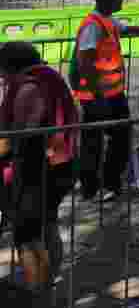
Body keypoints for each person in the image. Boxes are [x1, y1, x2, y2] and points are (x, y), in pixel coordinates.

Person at [72, 0, 139, 202]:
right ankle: (96, 188)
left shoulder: (107, 21)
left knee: (115, 139)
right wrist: (98, 95)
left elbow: (126, 29)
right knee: (97, 143)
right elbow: (84, 63)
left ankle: (107, 184)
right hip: (98, 97)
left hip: (111, 94)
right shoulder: (93, 25)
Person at [0, 42, 78, 299]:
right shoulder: (50, 80)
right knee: (48, 224)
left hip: (40, 170)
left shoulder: (29, 88)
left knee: (28, 236)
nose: (2, 77)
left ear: (14, 67)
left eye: (3, 70)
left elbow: (17, 137)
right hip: (60, 163)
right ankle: (49, 283)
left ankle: (38, 292)